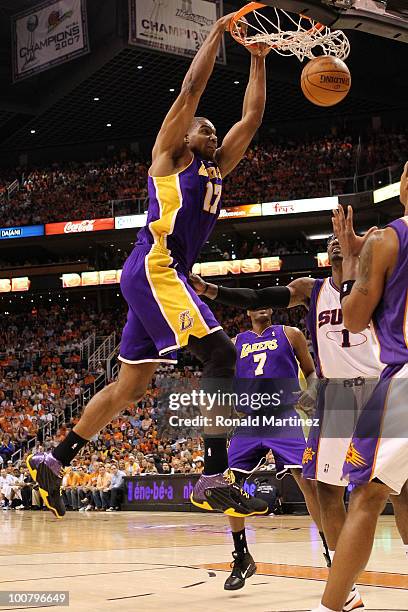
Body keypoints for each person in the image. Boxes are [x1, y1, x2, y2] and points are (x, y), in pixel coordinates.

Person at [26, 11, 270, 519]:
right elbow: (190, 89)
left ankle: (55, 457)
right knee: (223, 356)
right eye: (202, 126)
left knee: (131, 387)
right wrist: (217, 32)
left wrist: (256, 59)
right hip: (157, 265)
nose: (210, 127)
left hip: (161, 272)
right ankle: (211, 475)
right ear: (185, 138)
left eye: (211, 128)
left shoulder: (217, 165)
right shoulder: (169, 157)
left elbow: (251, 119)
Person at [190, 216, 408, 609]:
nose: (337, 248)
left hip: (380, 386)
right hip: (336, 396)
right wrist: (213, 290)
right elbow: (260, 298)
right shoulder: (313, 289)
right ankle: (345, 588)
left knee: (395, 492)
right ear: (326, 256)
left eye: (343, 244)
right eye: (331, 247)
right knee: (327, 491)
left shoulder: (380, 277)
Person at [309, 163, 408, 612]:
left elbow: (352, 318)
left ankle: (333, 605)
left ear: (406, 185)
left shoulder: (387, 239)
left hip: (402, 381)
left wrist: (353, 261)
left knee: (366, 493)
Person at [223, 307, 326, 591]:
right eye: (258, 302)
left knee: (308, 482)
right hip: (250, 420)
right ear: (248, 310)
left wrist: (311, 390)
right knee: (229, 485)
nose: (264, 306)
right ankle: (242, 557)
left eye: (268, 301)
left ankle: (331, 551)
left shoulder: (289, 334)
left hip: (283, 416)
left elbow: (312, 372)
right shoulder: (236, 342)